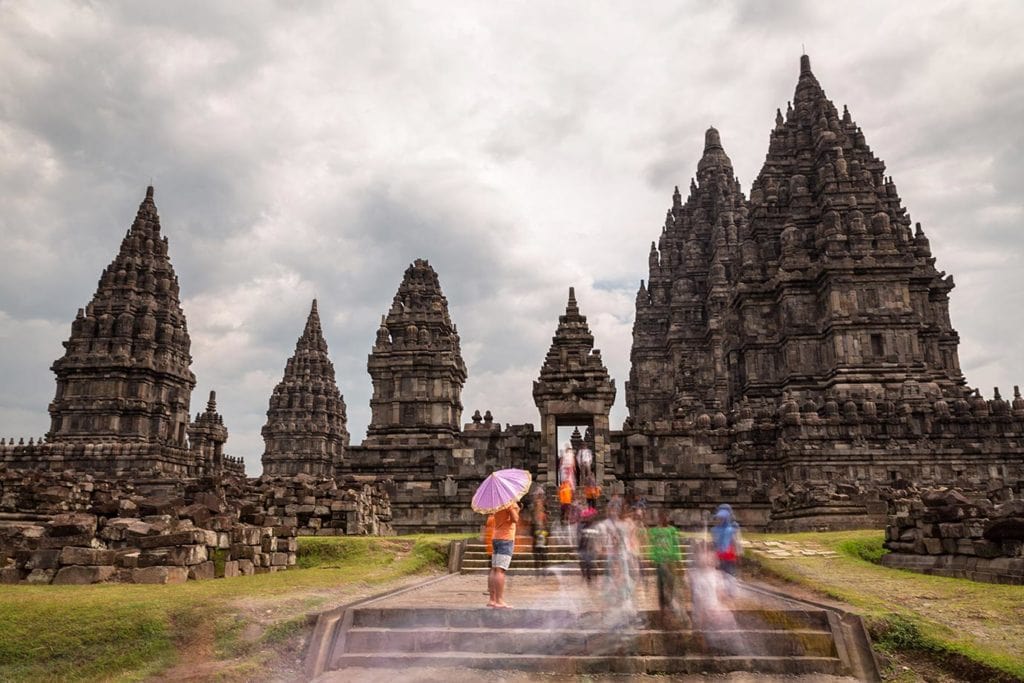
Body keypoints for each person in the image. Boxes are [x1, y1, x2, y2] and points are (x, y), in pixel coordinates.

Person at [648, 510, 684, 626]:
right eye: (660, 517)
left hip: (670, 561)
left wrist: (679, 561)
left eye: (664, 517)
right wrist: (653, 558)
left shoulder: (672, 530)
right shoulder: (654, 531)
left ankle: (670, 605)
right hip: (660, 561)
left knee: (671, 584)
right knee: (661, 585)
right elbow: (652, 546)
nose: (662, 519)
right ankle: (663, 608)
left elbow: (676, 545)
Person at [488, 501, 520, 608]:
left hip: (496, 537)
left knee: (494, 569)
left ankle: (492, 599)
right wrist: (512, 508)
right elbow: (515, 519)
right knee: (500, 570)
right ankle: (499, 600)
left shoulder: (496, 503)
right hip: (506, 538)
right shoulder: (509, 502)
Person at [710, 504, 742, 599]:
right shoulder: (715, 530)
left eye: (722, 518)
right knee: (719, 574)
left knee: (730, 573)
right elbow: (714, 543)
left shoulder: (732, 529)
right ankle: (721, 591)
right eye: (719, 518)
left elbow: (737, 541)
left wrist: (739, 553)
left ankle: (731, 592)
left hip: (729, 555)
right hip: (719, 555)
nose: (720, 520)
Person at [530, 493, 548, 574]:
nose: (539, 506)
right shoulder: (533, 515)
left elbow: (546, 526)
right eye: (538, 504)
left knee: (543, 555)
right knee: (536, 555)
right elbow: (531, 527)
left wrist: (544, 532)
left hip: (543, 536)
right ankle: (538, 571)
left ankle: (544, 570)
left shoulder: (543, 515)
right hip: (536, 536)